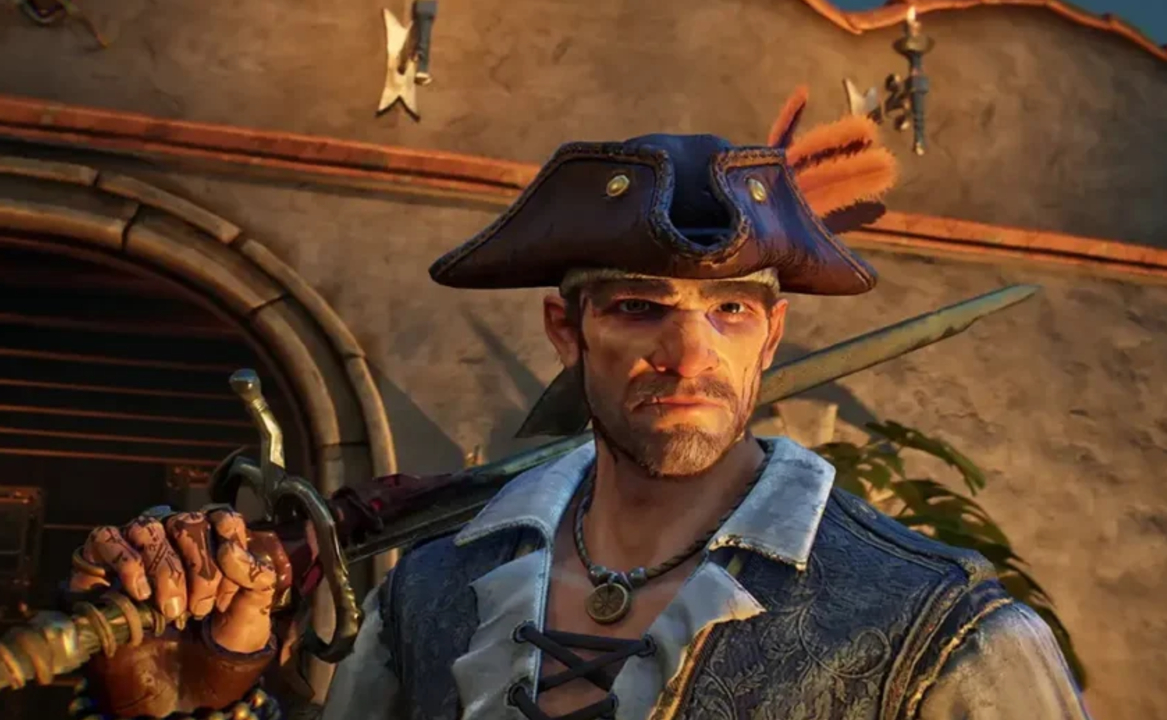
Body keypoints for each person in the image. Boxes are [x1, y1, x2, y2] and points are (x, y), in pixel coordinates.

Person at [62, 100, 1091, 720]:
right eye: (640, 309)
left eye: (729, 312)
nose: (689, 355)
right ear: (567, 330)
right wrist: (212, 663)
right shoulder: (430, 595)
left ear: (770, 337)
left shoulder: (937, 628)